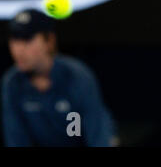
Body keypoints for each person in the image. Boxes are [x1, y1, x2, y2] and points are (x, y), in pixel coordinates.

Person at [1, 9, 117, 147]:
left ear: (49, 40)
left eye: (27, 39)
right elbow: (16, 140)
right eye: (14, 40)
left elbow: (99, 136)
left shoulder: (77, 76)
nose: (18, 49)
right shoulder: (11, 84)